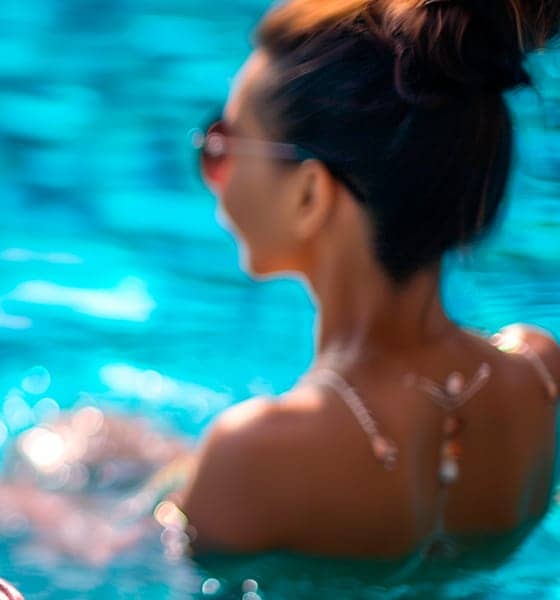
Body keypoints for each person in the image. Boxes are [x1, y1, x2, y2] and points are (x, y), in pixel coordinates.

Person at [175, 0, 560, 559]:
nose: (214, 174)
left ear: (309, 195)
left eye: (222, 145)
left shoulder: (254, 452)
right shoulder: (540, 378)